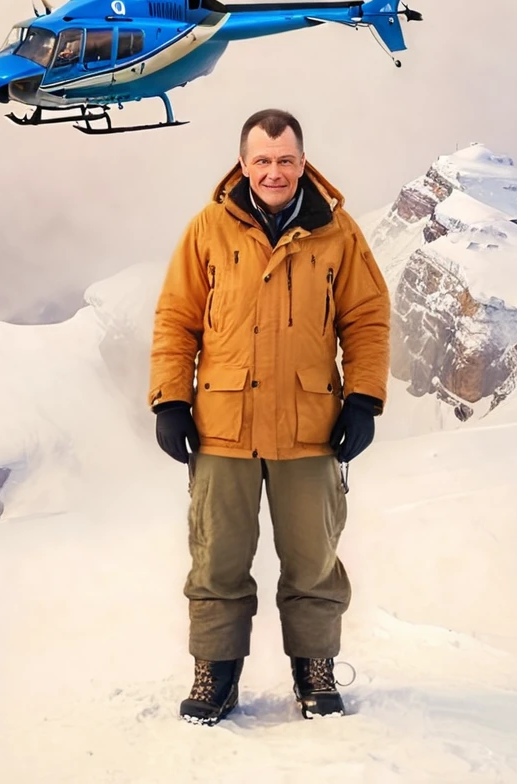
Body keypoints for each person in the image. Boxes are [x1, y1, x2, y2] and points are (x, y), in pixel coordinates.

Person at [148, 108, 390, 725]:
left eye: (286, 160)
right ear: (244, 163)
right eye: (263, 160)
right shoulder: (208, 228)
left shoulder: (338, 233)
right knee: (217, 559)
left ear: (302, 163)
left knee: (313, 560)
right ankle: (216, 677)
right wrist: (170, 399)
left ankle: (315, 673)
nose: (274, 172)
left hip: (310, 427)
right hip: (222, 426)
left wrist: (363, 399)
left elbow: (365, 319)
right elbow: (177, 318)